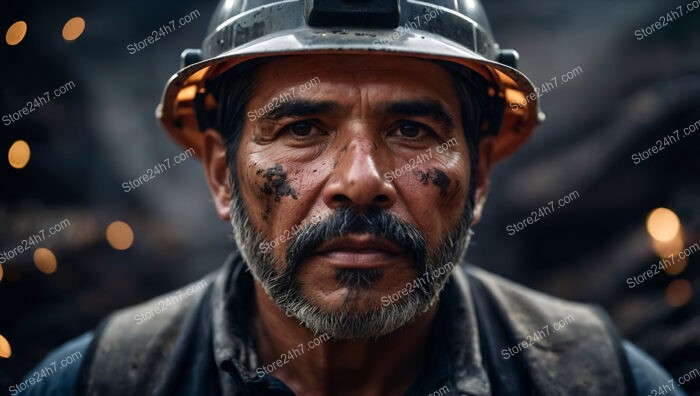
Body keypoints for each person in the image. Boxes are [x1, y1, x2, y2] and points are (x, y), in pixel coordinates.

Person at [21, 1, 683, 395]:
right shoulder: (95, 381)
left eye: (412, 130)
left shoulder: (600, 380)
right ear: (222, 175)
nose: (362, 180)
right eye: (303, 129)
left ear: (479, 176)